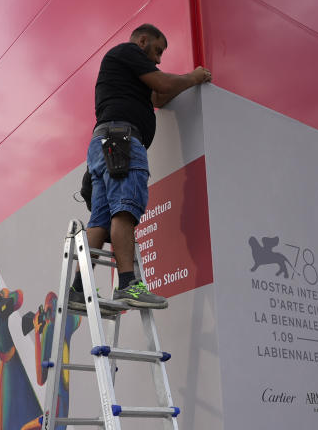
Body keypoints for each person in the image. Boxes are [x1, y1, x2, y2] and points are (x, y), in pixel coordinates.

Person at [69, 23, 211, 310]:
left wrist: (176, 83)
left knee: (100, 221)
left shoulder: (127, 74)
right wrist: (193, 77)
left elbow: (159, 97)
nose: (158, 59)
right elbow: (163, 85)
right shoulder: (129, 52)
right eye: (157, 51)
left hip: (104, 144)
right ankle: (128, 285)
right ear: (142, 41)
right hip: (122, 141)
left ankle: (77, 289)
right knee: (124, 210)